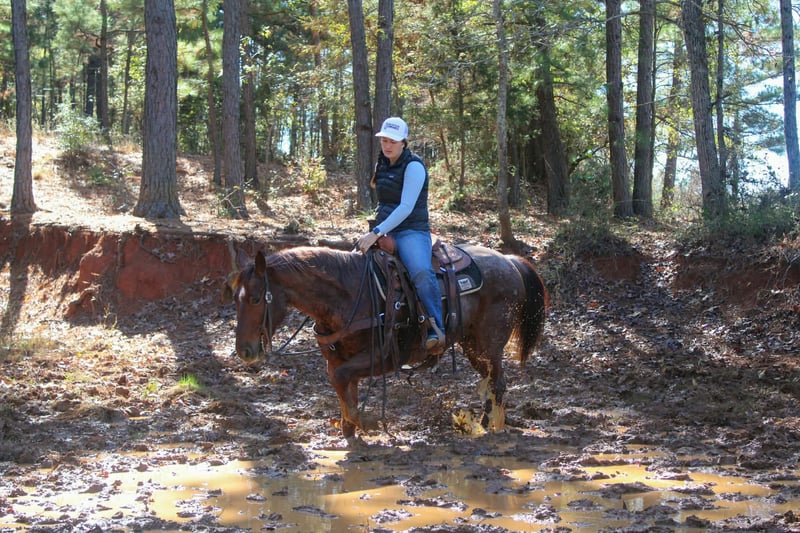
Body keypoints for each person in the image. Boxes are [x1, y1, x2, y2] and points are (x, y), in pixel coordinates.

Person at [355, 117, 445, 351]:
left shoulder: (414, 166)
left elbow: (405, 207)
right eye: (384, 140)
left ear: (403, 142)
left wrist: (376, 232)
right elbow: (384, 202)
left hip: (411, 229)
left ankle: (436, 326)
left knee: (421, 271)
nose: (387, 146)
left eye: (392, 142)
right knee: (353, 265)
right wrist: (375, 226)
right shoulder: (382, 164)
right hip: (384, 228)